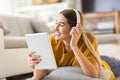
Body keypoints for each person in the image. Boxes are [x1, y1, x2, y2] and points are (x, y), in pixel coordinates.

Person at [28, 9, 115, 80]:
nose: (55, 28)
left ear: (75, 28)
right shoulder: (51, 41)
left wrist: (74, 46)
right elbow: (41, 74)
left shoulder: (89, 39)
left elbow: (93, 75)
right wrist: (37, 65)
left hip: (106, 62)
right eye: (56, 23)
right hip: (92, 57)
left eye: (61, 25)